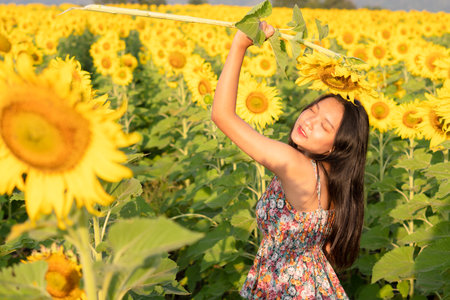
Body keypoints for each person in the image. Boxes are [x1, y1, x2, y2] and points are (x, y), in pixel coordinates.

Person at [211, 21, 369, 299]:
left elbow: (222, 116)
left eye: (325, 126)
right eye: (313, 110)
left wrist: (239, 45)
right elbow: (327, 248)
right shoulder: (333, 180)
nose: (309, 121)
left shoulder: (296, 166)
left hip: (285, 288)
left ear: (338, 147)